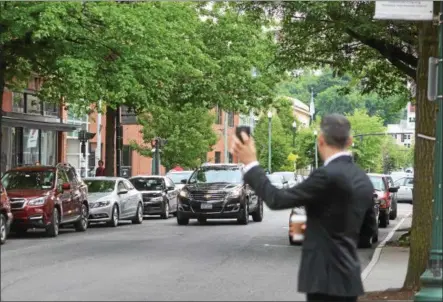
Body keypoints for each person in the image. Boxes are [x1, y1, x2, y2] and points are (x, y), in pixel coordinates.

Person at [232, 114, 376, 302]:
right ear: (349, 141)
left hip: (323, 279)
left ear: (321, 140)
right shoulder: (364, 180)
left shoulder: (325, 176)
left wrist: (251, 164)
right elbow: (369, 230)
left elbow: (277, 199)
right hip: (349, 278)